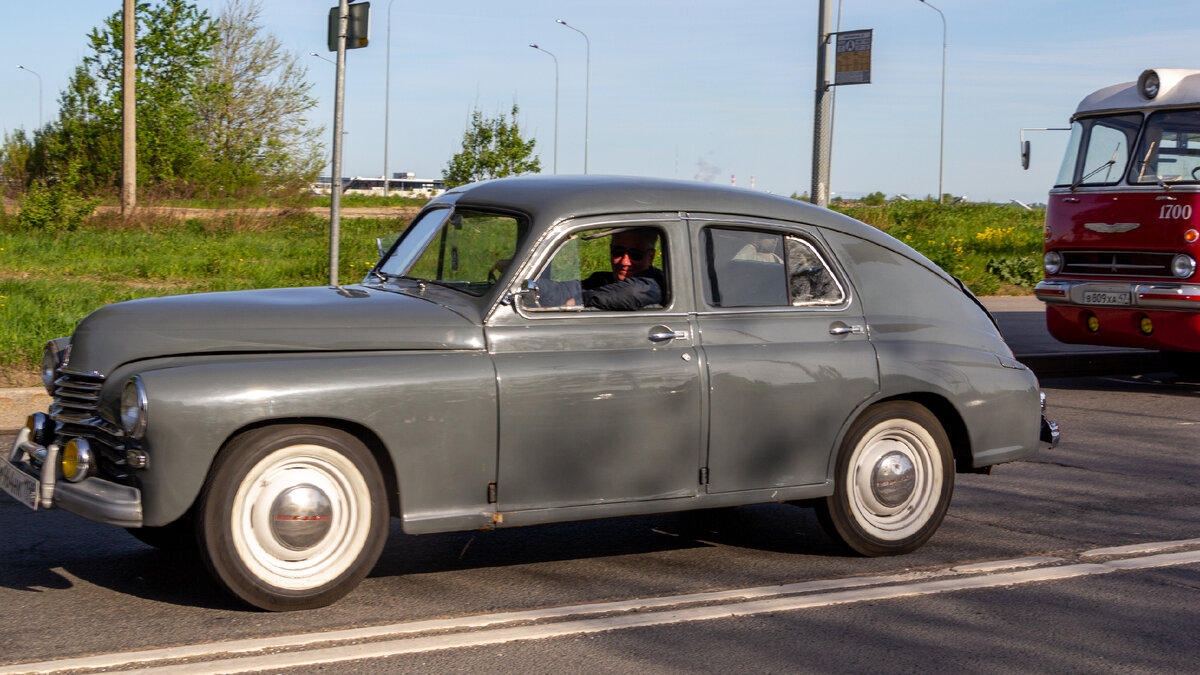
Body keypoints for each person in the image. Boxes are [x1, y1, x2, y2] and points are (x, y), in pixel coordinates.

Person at [581, 228, 666, 310]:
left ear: (650, 257)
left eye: (635, 254)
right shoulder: (603, 279)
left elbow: (632, 293)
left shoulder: (653, 284)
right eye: (618, 252)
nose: (624, 262)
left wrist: (579, 299)